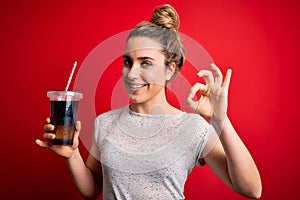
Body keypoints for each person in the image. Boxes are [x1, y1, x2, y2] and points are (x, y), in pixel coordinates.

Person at [36, 4, 262, 200]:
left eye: (145, 63)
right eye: (128, 61)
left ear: (169, 70)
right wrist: (72, 155)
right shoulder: (105, 123)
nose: (131, 74)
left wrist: (220, 120)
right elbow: (92, 190)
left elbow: (251, 189)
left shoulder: (192, 128)